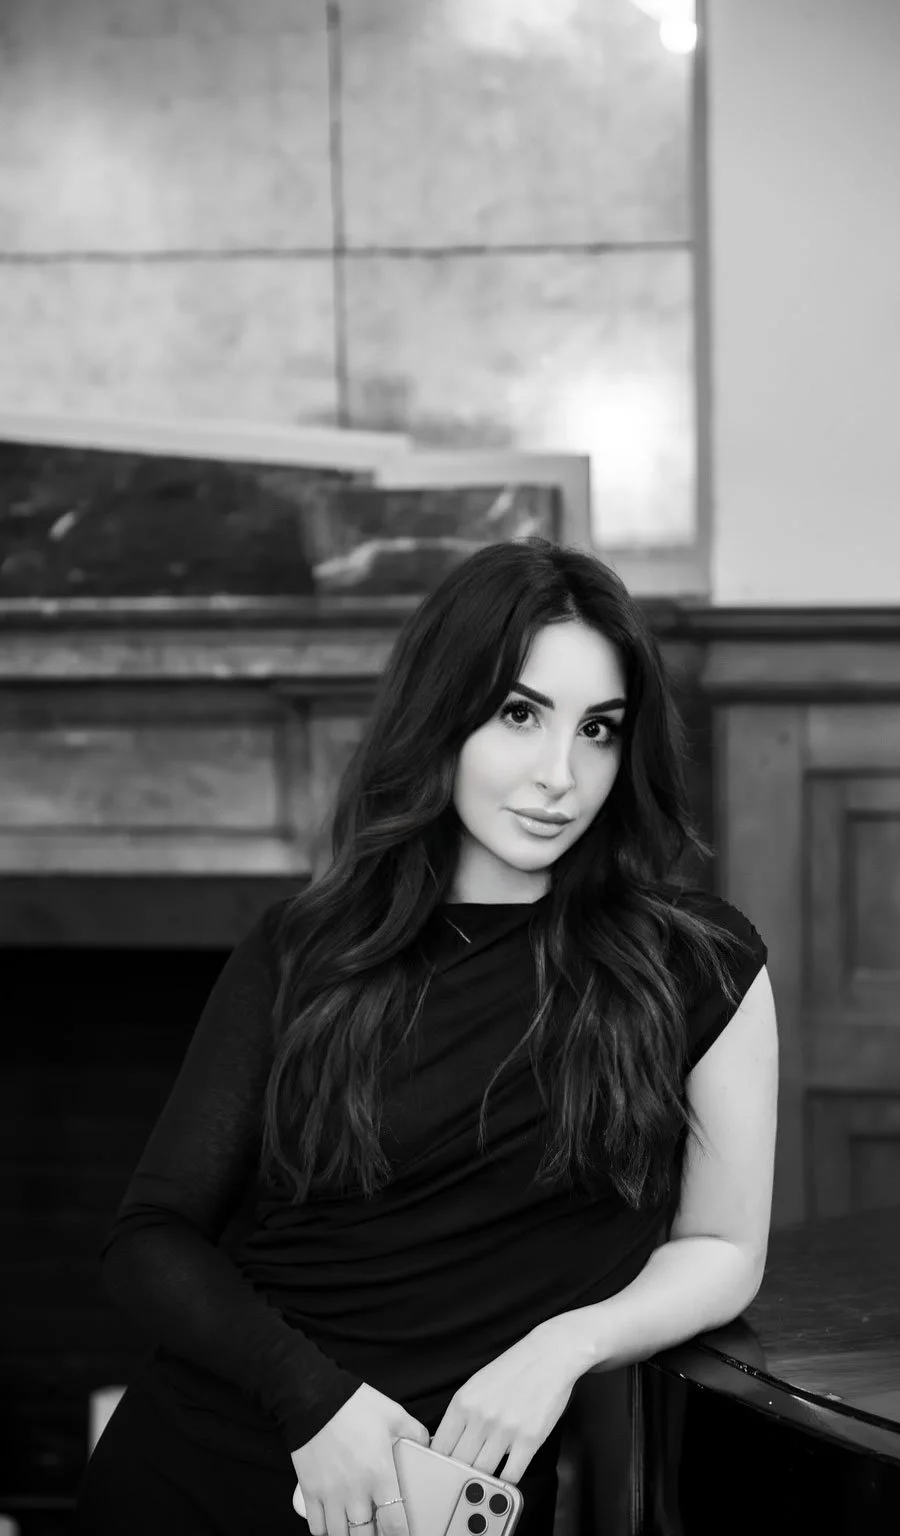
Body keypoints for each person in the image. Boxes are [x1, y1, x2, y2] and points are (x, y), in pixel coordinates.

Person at [76, 537, 778, 1536]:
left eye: (598, 729)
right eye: (519, 715)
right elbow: (149, 1240)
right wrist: (317, 1404)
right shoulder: (306, 949)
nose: (560, 775)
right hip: (210, 1470)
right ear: (442, 715)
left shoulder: (698, 964)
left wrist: (566, 1347)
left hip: (445, 1508)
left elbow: (721, 1247)